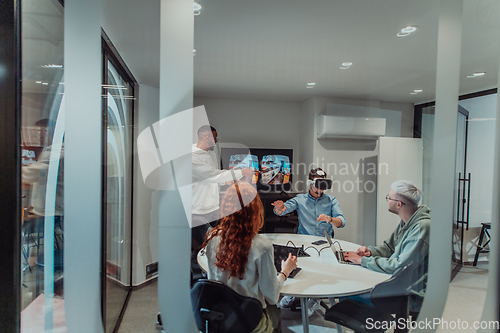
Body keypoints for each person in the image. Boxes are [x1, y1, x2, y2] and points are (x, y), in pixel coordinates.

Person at [203, 183, 298, 333]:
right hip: (248, 321)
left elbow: (212, 281)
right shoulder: (263, 246)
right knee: (274, 311)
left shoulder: (212, 238)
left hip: (219, 317)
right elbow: (272, 296)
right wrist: (285, 272)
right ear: (255, 211)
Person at [344, 180, 430, 312]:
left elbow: (399, 266)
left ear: (399, 204)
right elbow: (389, 248)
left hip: (410, 294)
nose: (387, 200)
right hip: (399, 284)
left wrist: (362, 260)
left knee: (347, 294)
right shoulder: (407, 222)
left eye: (389, 198)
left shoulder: (421, 228)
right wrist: (370, 253)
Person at [272, 167, 346, 315]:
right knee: (297, 268)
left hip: (324, 245)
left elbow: (342, 222)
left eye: (323, 184)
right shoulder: (300, 199)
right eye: (318, 184)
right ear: (310, 183)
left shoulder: (331, 200)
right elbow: (282, 210)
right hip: (303, 243)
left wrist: (330, 219)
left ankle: (315, 299)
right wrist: (279, 209)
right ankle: (292, 294)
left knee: (321, 272)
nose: (320, 189)